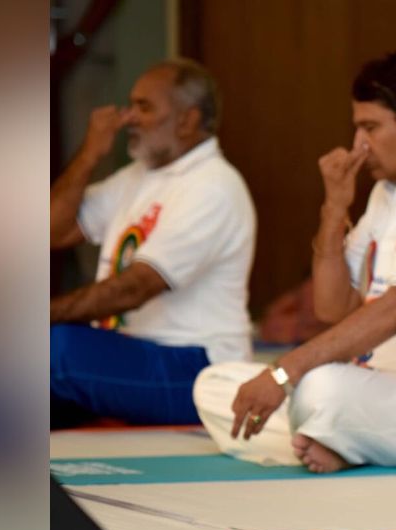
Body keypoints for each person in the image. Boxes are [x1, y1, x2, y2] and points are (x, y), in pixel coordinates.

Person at [193, 50, 396, 473]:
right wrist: (334, 207)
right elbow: (331, 307)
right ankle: (338, 436)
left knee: (318, 389)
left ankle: (338, 434)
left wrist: (283, 373)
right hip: (386, 391)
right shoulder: (390, 188)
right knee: (216, 384)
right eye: (357, 128)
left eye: (370, 127)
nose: (358, 145)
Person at [49, 59, 255, 426]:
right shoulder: (137, 177)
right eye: (131, 105)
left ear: (187, 120)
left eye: (144, 107)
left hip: (198, 368)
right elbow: (52, 231)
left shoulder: (213, 185)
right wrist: (90, 154)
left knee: (56, 349)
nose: (128, 118)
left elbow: (135, 288)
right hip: (136, 353)